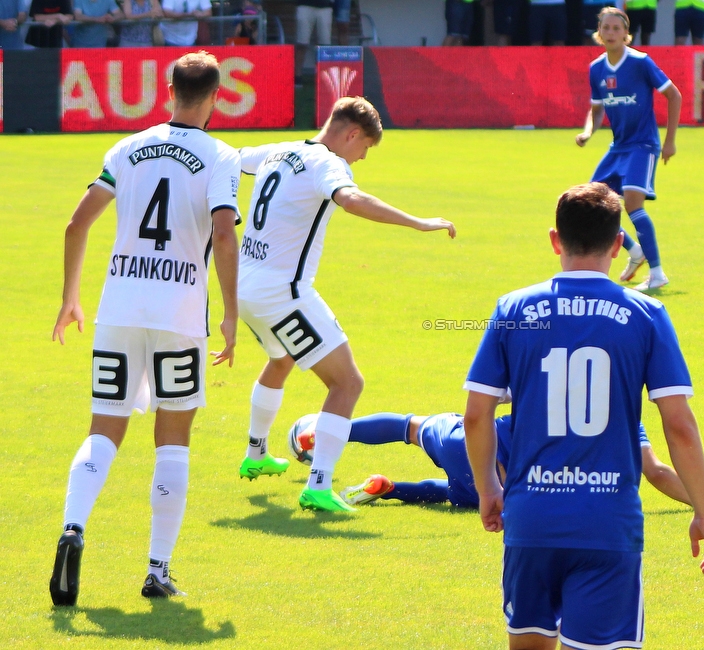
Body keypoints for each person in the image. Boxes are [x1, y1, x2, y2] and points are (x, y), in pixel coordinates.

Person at [463, 182, 704, 650]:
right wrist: (703, 511)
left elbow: (477, 415)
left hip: (532, 519)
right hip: (607, 524)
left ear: (555, 240)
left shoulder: (514, 310)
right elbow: (679, 424)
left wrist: (488, 488)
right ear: (619, 242)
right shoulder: (647, 314)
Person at [49, 51, 240, 606]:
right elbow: (224, 236)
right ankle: (157, 570)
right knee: (173, 439)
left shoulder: (127, 148)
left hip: (118, 307)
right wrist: (229, 312)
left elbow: (76, 223)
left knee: (102, 428)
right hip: (180, 314)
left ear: (170, 92)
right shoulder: (220, 156)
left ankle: (72, 528)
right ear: (215, 97)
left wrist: (70, 298)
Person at [234, 97, 456, 513]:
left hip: (245, 288)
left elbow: (233, 160)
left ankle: (257, 452)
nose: (362, 158)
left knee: (280, 359)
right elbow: (352, 200)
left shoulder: (280, 149)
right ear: (352, 134)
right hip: (284, 292)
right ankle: (318, 485)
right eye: (365, 148)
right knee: (347, 383)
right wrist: (419, 222)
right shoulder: (329, 164)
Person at [335, 411, 704, 511]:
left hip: (467, 445)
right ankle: (387, 484)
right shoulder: (624, 417)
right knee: (469, 494)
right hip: (482, 459)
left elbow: (654, 471)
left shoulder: (563, 386)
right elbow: (654, 470)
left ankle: (333, 433)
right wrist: (703, 505)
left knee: (413, 428)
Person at [576, 7, 681, 292]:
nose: (610, 33)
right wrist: (588, 132)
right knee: (591, 205)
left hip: (643, 144)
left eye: (616, 28)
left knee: (633, 204)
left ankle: (657, 273)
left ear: (626, 34)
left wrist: (669, 141)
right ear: (599, 33)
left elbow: (674, 95)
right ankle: (635, 252)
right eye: (606, 28)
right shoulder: (596, 68)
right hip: (618, 147)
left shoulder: (640, 62)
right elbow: (596, 110)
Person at [294, 0, 332, 85]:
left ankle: (323, 77)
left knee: (324, 46)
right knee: (302, 43)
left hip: (325, 7)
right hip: (304, 5)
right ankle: (297, 76)